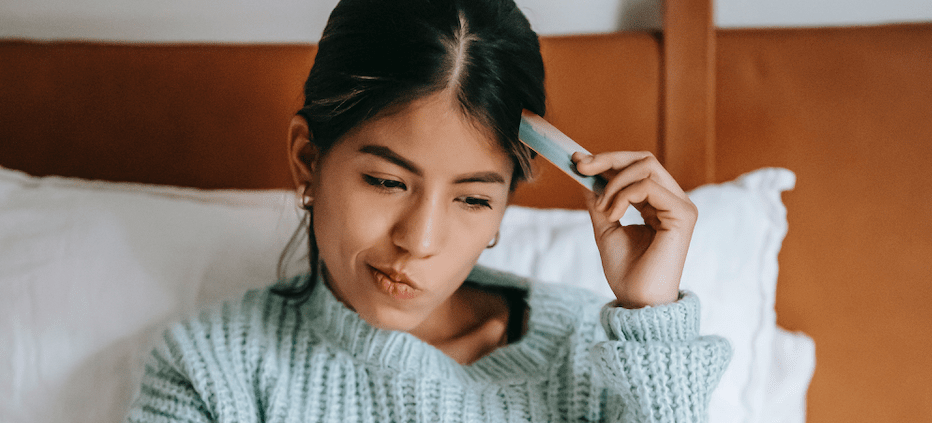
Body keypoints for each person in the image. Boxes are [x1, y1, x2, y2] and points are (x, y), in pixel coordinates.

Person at [124, 0, 731, 421]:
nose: (419, 240)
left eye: (473, 198)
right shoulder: (210, 372)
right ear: (308, 158)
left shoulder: (601, 363)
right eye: (387, 182)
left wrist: (651, 319)